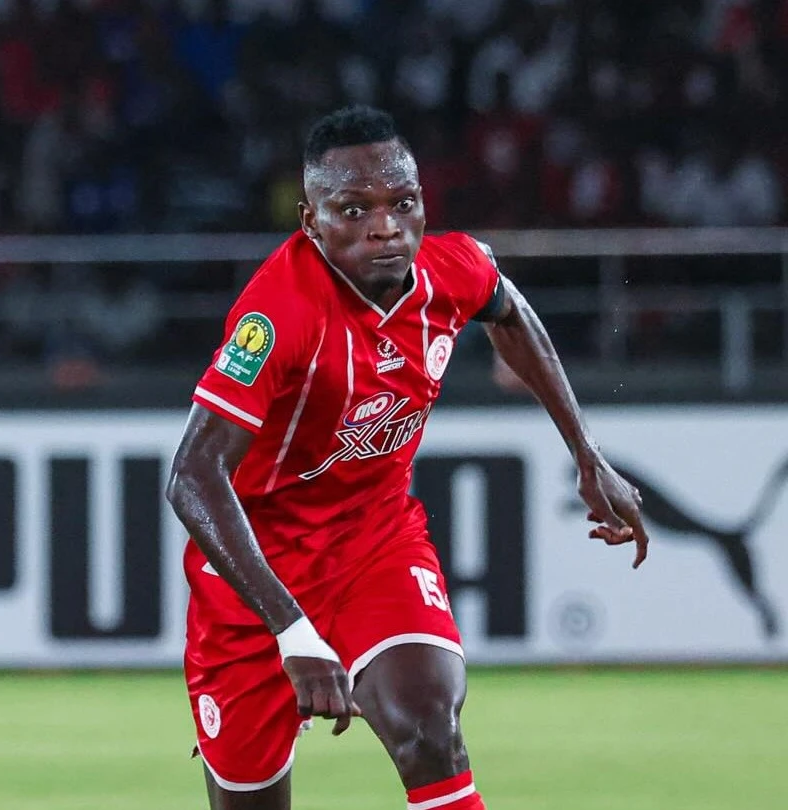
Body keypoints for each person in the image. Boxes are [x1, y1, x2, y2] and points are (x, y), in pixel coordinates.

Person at [165, 106, 650, 810]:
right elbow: (191, 475)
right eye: (354, 209)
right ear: (311, 221)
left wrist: (588, 455)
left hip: (375, 545)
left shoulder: (448, 269)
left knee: (430, 732)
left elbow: (508, 310)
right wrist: (291, 628)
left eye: (403, 203)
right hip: (253, 581)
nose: (385, 226)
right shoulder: (279, 315)